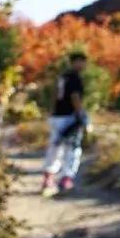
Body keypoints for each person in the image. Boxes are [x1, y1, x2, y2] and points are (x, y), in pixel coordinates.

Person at [41, 51, 90, 196]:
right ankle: (66, 179)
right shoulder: (75, 78)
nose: (83, 65)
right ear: (76, 62)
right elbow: (75, 97)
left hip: (57, 115)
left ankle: (48, 178)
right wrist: (81, 114)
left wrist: (52, 111)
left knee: (55, 146)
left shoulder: (62, 77)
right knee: (72, 148)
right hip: (69, 117)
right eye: (81, 61)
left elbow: (55, 94)